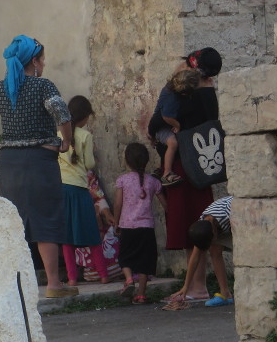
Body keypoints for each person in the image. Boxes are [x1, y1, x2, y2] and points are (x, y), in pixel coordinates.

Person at [0, 35, 75, 297]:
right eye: (42, 58)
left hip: (10, 163)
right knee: (45, 219)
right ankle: (53, 284)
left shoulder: (0, 89)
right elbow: (62, 114)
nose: (45, 62)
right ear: (35, 61)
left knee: (18, 221)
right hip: (40, 161)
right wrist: (66, 142)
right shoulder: (43, 86)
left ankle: (16, 287)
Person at [161, 47, 223, 301]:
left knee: (189, 225)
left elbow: (165, 109)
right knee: (201, 222)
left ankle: (196, 286)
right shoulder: (210, 93)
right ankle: (200, 285)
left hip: (185, 162)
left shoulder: (185, 92)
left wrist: (178, 73)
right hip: (204, 164)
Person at [58, 96, 110, 286]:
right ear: (85, 116)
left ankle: (72, 278)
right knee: (92, 233)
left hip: (61, 189)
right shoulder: (85, 136)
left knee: (66, 237)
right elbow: (89, 163)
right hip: (80, 189)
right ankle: (103, 275)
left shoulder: (57, 134)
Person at [113, 143, 166, 303]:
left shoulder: (122, 180)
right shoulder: (153, 181)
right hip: (146, 228)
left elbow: (117, 204)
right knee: (146, 261)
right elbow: (165, 204)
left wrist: (116, 223)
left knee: (124, 257)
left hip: (127, 226)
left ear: (127, 161)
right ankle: (141, 294)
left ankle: (129, 279)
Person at [168, 196, 234, 307]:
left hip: (240, 215)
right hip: (221, 224)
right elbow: (195, 258)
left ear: (214, 233)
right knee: (214, 250)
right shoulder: (202, 226)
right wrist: (186, 286)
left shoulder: (228, 214)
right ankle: (225, 293)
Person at [147, 68, 201, 186]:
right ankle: (166, 173)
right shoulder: (172, 99)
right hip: (162, 126)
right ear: (184, 93)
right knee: (173, 143)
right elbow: (166, 117)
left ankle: (161, 168)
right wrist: (177, 125)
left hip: (164, 123)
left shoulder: (174, 84)